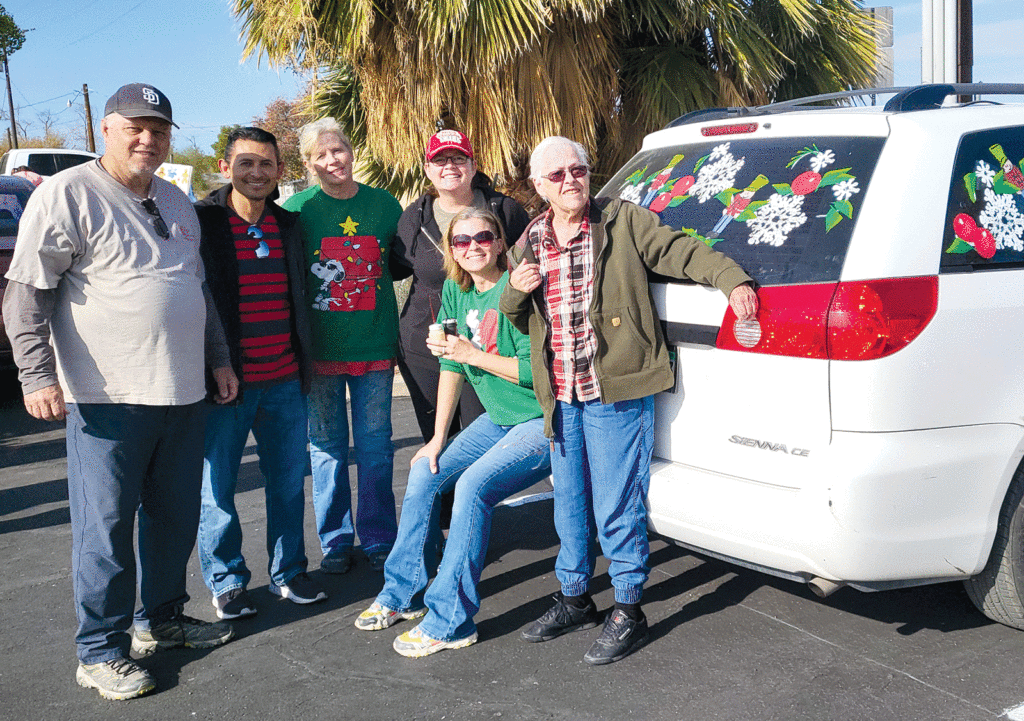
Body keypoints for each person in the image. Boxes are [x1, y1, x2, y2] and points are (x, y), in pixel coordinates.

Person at [1, 83, 237, 701]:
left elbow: (197, 289)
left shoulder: (176, 200)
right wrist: (36, 375)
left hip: (182, 394)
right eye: (134, 126)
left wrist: (218, 362)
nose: (147, 139)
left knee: (173, 518)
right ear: (105, 129)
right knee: (105, 531)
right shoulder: (65, 194)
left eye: (158, 129)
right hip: (107, 399)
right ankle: (100, 650)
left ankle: (160, 620)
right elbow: (25, 296)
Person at [499, 136, 759, 666]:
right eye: (558, 175)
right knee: (569, 505)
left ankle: (628, 608)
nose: (571, 180)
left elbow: (680, 250)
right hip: (561, 395)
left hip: (612, 390)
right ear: (538, 186)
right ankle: (574, 598)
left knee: (617, 504)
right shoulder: (531, 240)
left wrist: (731, 279)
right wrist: (512, 290)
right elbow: (520, 318)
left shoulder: (622, 220)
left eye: (580, 169)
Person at [356, 207, 551, 657]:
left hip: (539, 421)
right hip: (498, 419)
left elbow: (538, 372)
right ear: (450, 250)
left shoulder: (519, 288)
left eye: (483, 236)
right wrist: (437, 438)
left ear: (501, 242)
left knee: (472, 488)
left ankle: (450, 622)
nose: (473, 247)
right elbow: (449, 362)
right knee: (427, 471)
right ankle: (402, 593)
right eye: (461, 241)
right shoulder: (455, 291)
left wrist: (472, 354)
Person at [195, 127, 326, 620]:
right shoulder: (202, 222)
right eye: (245, 163)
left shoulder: (288, 226)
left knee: (288, 483)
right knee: (219, 489)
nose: (256, 173)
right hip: (226, 385)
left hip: (286, 381)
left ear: (279, 172)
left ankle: (289, 573)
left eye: (266, 164)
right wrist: (214, 363)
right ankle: (226, 581)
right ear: (225, 168)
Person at [283, 118, 404, 574]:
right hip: (320, 354)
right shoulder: (296, 209)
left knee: (375, 446)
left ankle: (378, 537)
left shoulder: (384, 205)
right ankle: (335, 540)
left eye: (339, 150)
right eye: (321, 154)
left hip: (374, 347)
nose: (333, 160)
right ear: (308, 162)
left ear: (352, 152)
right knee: (327, 447)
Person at [393, 129, 530, 443]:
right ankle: (444, 495)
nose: (449, 166)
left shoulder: (504, 211)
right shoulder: (413, 218)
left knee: (479, 441)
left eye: (458, 158)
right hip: (426, 351)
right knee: (438, 443)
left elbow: (527, 265)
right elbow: (397, 267)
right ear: (428, 169)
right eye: (439, 160)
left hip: (489, 345)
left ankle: (474, 494)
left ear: (473, 164)